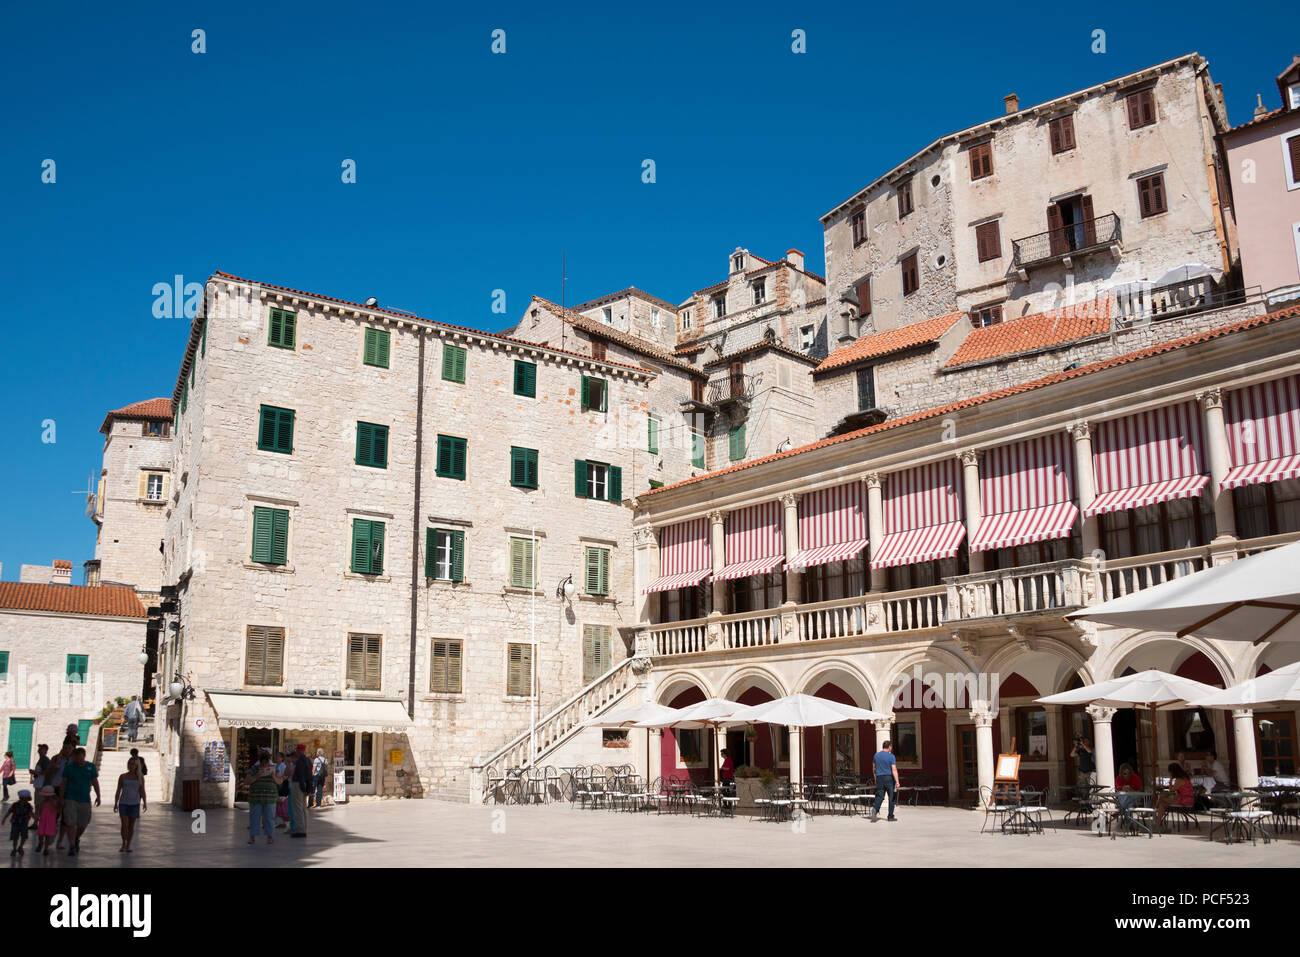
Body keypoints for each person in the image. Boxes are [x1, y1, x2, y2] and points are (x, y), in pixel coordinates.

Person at [58, 747, 100, 857]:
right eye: (76, 758)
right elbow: (63, 783)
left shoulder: (91, 767)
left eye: (80, 758)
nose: (78, 760)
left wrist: (98, 795)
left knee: (84, 822)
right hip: (70, 798)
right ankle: (71, 845)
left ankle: (76, 838)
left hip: (84, 799)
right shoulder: (69, 768)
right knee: (70, 822)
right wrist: (61, 798)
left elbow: (95, 782)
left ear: (84, 756)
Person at [246, 749, 281, 845]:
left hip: (270, 798)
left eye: (266, 763)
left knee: (269, 817)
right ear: (260, 762)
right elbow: (247, 781)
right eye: (263, 763)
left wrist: (273, 776)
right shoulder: (254, 768)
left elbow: (280, 781)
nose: (265, 765)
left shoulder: (274, 768)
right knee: (254, 817)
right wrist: (257, 776)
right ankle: (252, 836)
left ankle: (270, 836)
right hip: (256, 797)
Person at [113, 756, 146, 853]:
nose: (131, 766)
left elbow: (142, 790)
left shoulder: (140, 778)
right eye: (130, 764)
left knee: (131, 826)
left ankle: (128, 845)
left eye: (133, 764)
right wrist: (116, 803)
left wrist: (144, 802)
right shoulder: (122, 776)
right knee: (124, 824)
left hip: (135, 803)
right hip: (123, 803)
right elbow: (118, 790)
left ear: (137, 766)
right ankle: (123, 843)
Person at [1155, 762, 1194, 828]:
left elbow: (1171, 790)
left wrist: (1170, 779)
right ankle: (1157, 819)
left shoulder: (1179, 780)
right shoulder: (1184, 778)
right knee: (1162, 803)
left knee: (1161, 800)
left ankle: (1154, 812)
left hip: (1184, 800)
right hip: (1187, 799)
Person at [870, 739, 900, 823]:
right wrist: (897, 781)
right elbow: (894, 769)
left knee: (880, 796)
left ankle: (875, 810)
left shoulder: (876, 755)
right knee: (891, 798)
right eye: (891, 747)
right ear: (889, 747)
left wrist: (875, 779)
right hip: (889, 778)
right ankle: (890, 816)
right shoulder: (891, 756)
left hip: (879, 778)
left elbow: (874, 768)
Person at [290, 743, 312, 837]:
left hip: (298, 785)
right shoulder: (308, 760)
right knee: (303, 808)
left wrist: (303, 788)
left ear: (298, 751)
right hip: (304, 785)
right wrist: (308, 789)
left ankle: (300, 830)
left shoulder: (300, 761)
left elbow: (301, 776)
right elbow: (310, 776)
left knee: (297, 808)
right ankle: (303, 828)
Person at [3, 789, 32, 857]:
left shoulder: (28, 806)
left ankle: (20, 847)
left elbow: (31, 813)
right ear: (22, 798)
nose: (26, 801)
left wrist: (36, 819)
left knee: (23, 837)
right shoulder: (15, 805)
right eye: (26, 799)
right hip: (15, 823)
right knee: (15, 838)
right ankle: (14, 849)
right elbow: (9, 812)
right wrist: (4, 818)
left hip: (24, 823)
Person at [35, 785, 59, 856]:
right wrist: (37, 816)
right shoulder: (42, 802)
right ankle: (40, 843)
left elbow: (54, 810)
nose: (45, 797)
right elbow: (40, 810)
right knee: (41, 834)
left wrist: (51, 801)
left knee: (48, 835)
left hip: (50, 821)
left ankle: (46, 848)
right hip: (43, 820)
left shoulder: (54, 802)